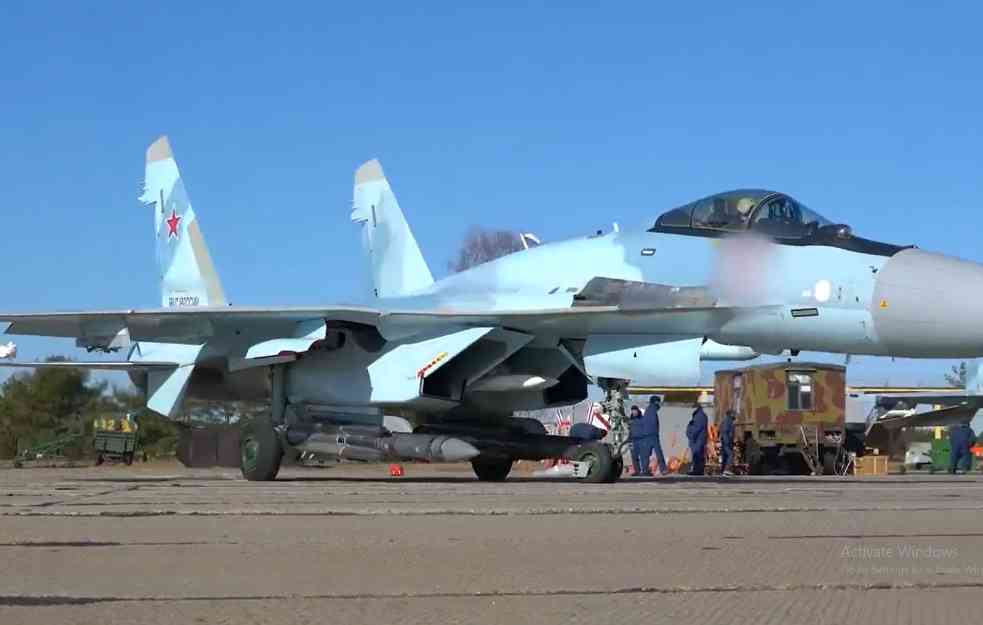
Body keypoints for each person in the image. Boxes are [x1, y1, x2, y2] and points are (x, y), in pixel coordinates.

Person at [686, 401, 709, 476]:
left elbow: (697, 428)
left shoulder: (699, 416)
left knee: (697, 455)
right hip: (698, 438)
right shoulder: (699, 415)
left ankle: (697, 470)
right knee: (698, 455)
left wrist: (691, 435)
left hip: (697, 439)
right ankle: (698, 470)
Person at [719, 409, 736, 476]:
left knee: (725, 456)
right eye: (733, 414)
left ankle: (723, 470)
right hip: (727, 442)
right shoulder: (728, 421)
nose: (735, 415)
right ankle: (727, 470)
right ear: (730, 414)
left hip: (726, 442)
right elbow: (725, 432)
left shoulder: (728, 420)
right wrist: (727, 442)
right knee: (730, 455)